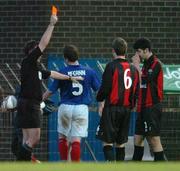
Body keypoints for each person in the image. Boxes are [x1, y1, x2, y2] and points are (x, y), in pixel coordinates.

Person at [16, 14, 82, 161]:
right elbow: (43, 44)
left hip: (26, 104)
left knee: (27, 140)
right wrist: (51, 24)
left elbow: (52, 73)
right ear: (31, 52)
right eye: (36, 50)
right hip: (29, 104)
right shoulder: (28, 61)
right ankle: (20, 163)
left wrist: (70, 77)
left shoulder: (35, 66)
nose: (40, 52)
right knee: (34, 139)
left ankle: (22, 165)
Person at [43, 44, 101, 162]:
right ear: (77, 56)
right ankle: (75, 167)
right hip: (81, 108)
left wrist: (40, 100)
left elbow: (50, 91)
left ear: (65, 58)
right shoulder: (89, 71)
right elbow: (99, 90)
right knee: (76, 140)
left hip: (65, 107)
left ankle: (65, 163)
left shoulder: (62, 72)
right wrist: (101, 104)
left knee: (62, 138)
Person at [96, 37, 139, 161]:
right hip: (126, 109)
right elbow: (136, 91)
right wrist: (131, 106)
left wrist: (99, 98)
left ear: (113, 51)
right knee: (121, 142)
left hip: (111, 108)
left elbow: (105, 88)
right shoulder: (133, 69)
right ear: (125, 51)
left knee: (107, 141)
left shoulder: (111, 66)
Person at [131, 37, 165, 161]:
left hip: (152, 107)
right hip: (142, 107)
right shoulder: (145, 64)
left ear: (146, 50)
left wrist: (136, 66)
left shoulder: (156, 64)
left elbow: (144, 80)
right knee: (138, 138)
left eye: (139, 51)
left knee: (154, 139)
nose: (137, 55)